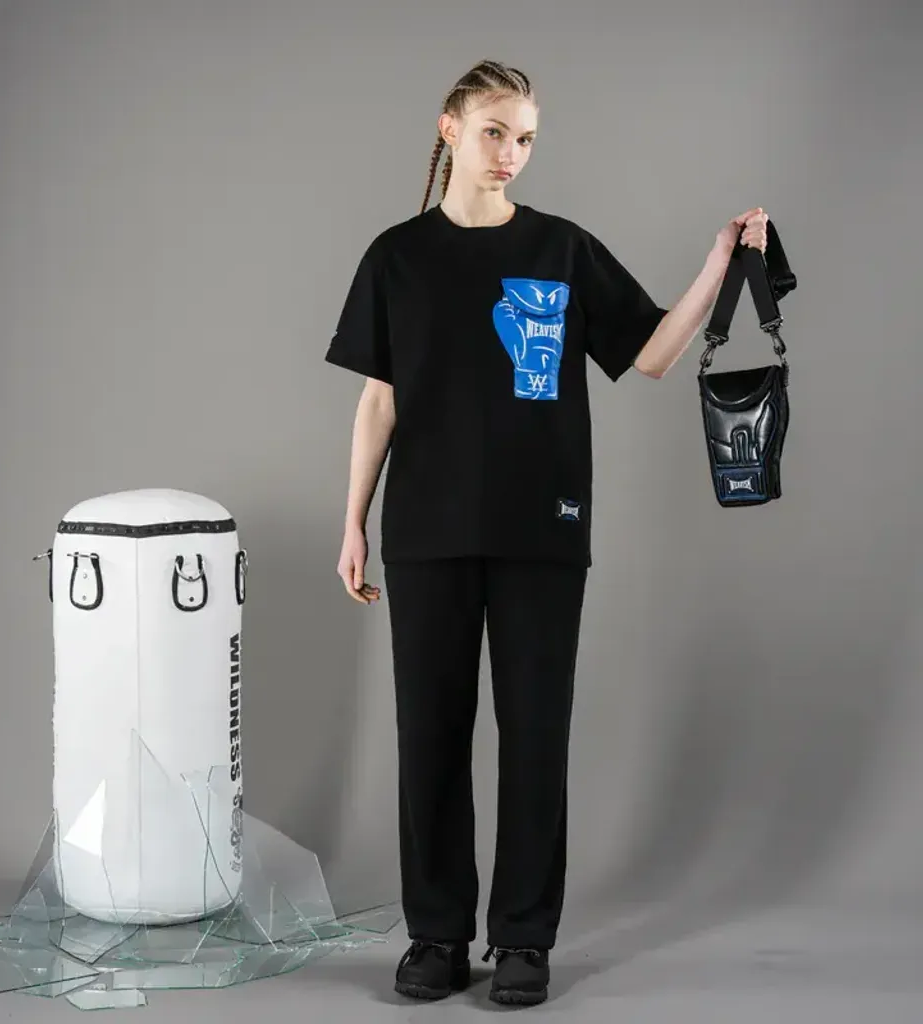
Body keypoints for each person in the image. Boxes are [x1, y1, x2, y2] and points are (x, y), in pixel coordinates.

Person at [324, 59, 769, 1008]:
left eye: (525, 138)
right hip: (427, 530)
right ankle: (437, 936)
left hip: (543, 528)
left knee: (535, 736)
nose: (511, 154)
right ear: (450, 128)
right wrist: (353, 521)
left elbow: (652, 355)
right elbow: (379, 401)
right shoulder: (397, 256)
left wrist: (716, 267)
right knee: (429, 738)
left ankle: (524, 939)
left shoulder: (562, 249)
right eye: (494, 132)